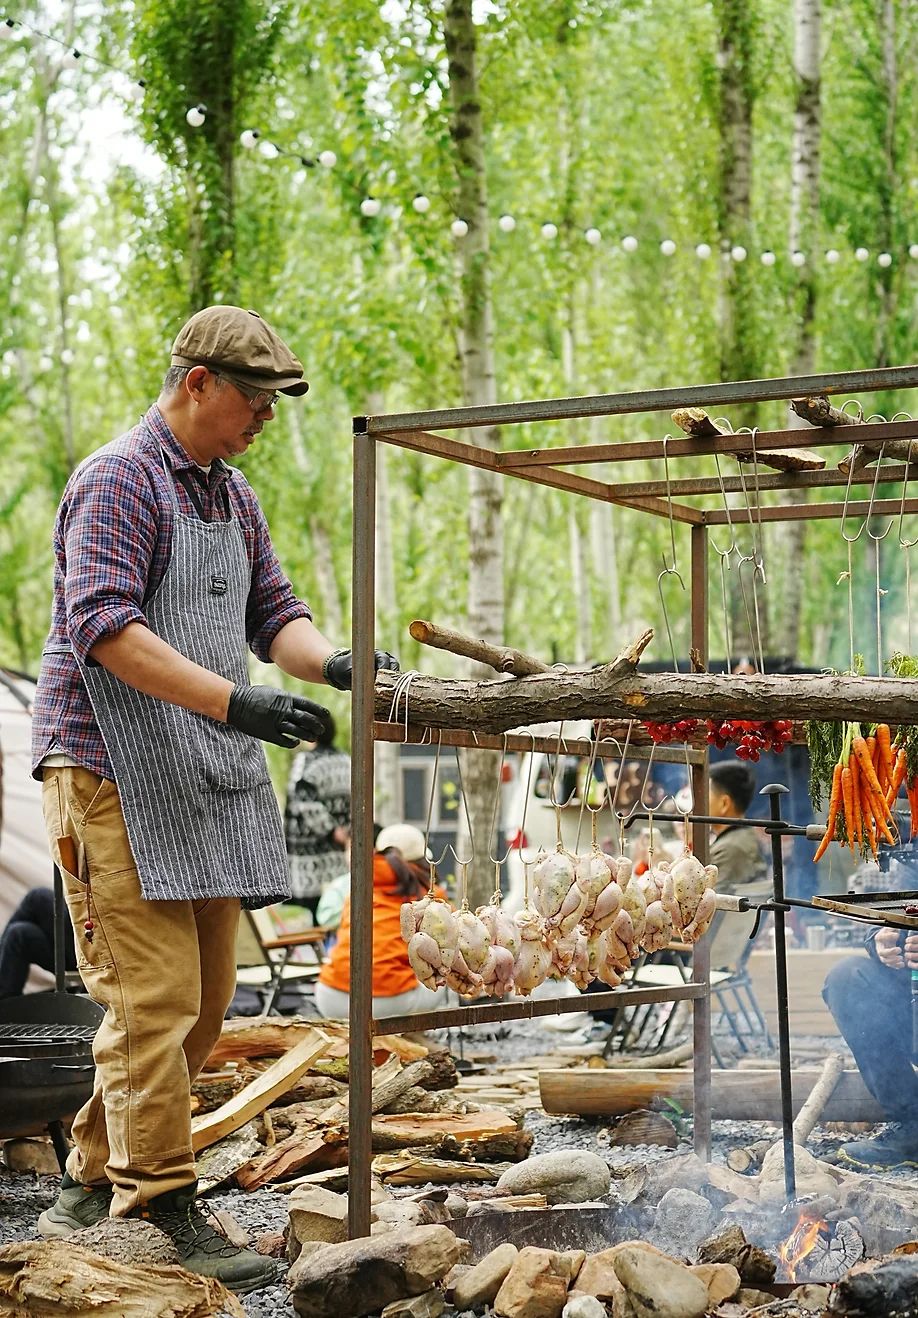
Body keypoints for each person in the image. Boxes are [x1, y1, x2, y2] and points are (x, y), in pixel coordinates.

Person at [29, 304, 398, 1292]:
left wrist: (338, 666)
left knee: (203, 1011)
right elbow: (105, 627)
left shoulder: (231, 496)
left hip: (194, 769)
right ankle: (157, 1203)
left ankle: (91, 1168)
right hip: (105, 764)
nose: (266, 419)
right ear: (197, 383)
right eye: (255, 398)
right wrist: (243, 704)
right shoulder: (117, 478)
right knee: (153, 998)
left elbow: (276, 615)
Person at [315, 823, 450, 1020]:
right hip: (390, 1000)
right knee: (445, 971)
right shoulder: (431, 897)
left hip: (331, 995)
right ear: (424, 860)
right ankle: (407, 1041)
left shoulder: (356, 889)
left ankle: (389, 1044)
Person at [823, 926, 918, 1169]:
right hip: (910, 1000)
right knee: (847, 977)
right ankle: (912, 1127)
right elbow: (892, 911)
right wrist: (880, 941)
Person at [284, 708, 350, 920]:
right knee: (335, 905)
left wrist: (331, 830)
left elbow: (304, 803)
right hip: (340, 849)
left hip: (310, 852)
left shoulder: (307, 761)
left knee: (316, 909)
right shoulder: (345, 760)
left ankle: (325, 951)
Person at [0, 886, 76, 998]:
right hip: (76, 943)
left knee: (38, 897)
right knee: (17, 933)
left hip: (88, 952)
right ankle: (5, 1005)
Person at [708, 761, 769, 895]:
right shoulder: (745, 836)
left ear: (724, 803)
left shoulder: (729, 849)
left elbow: (712, 909)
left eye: (704, 794)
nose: (697, 801)